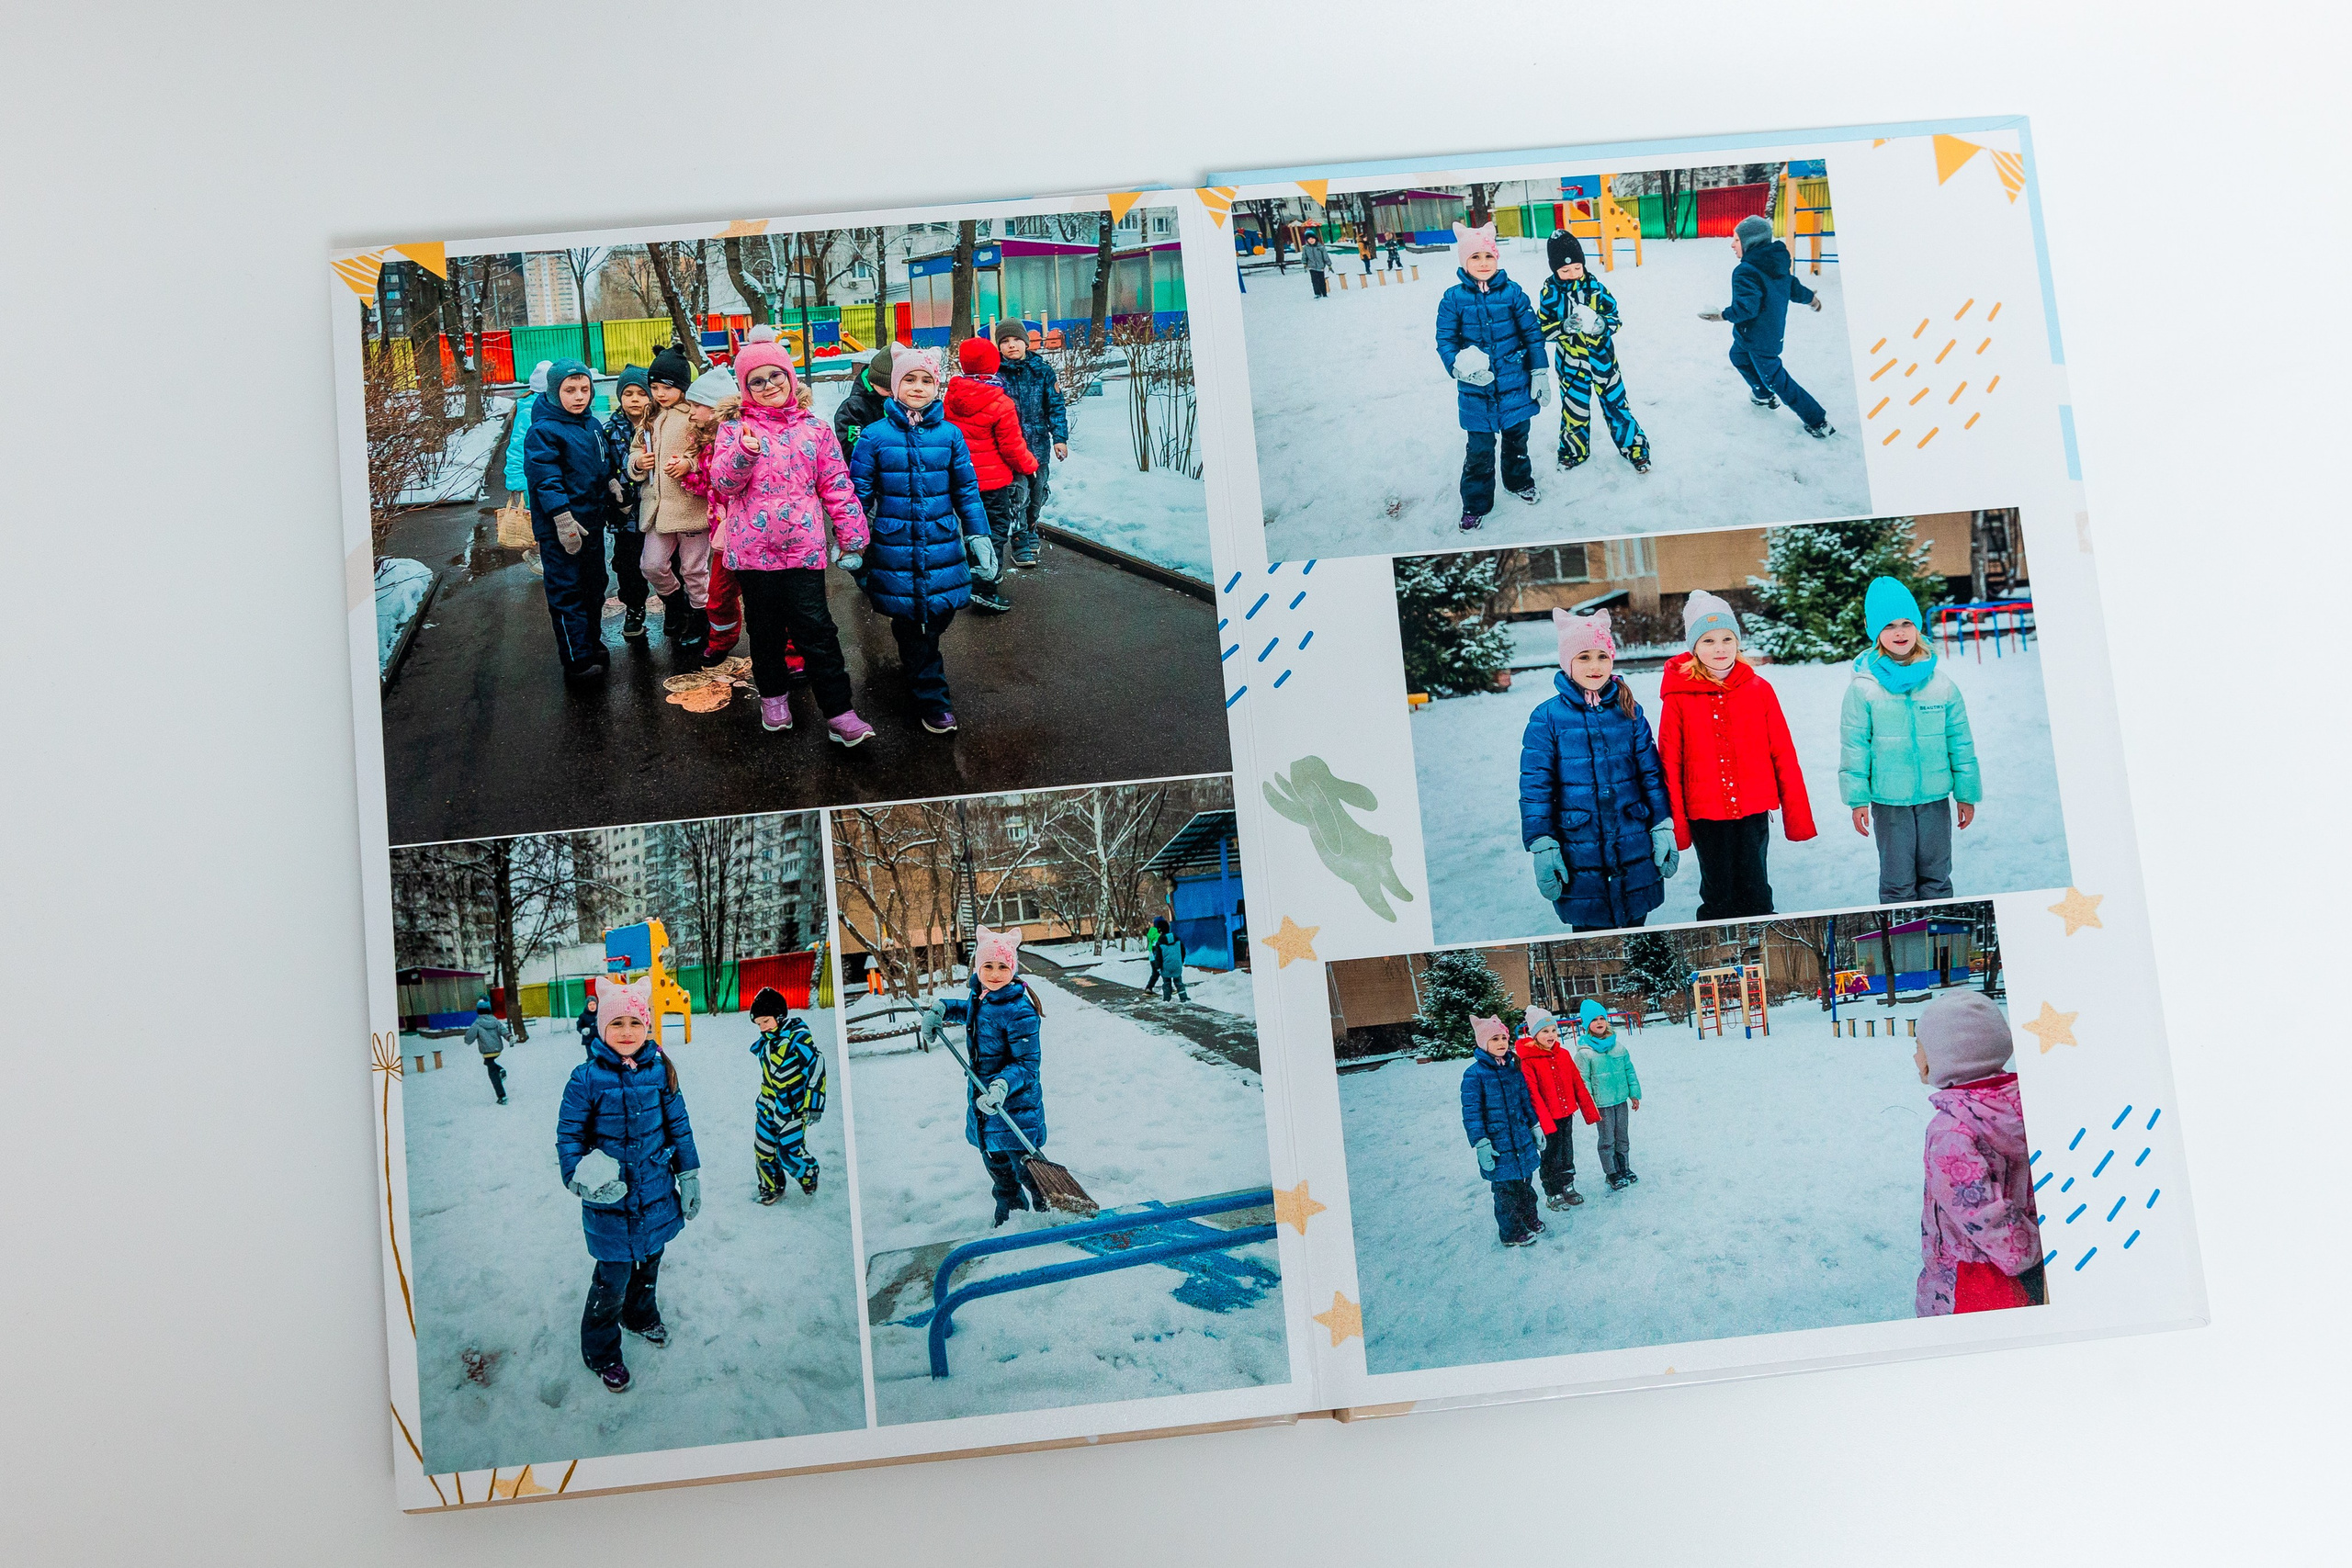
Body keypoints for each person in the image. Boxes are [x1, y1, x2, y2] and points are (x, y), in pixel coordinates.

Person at [703, 342, 875, 746]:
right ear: (745, 387)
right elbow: (722, 483)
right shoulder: (733, 429)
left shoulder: (814, 429)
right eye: (756, 381)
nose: (767, 386)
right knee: (765, 632)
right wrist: (744, 453)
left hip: (803, 551)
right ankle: (773, 697)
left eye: (775, 376)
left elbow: (836, 484)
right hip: (752, 554)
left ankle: (839, 711)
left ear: (790, 377)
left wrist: (852, 533)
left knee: (818, 632)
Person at [555, 979, 701, 1394]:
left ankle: (639, 1315)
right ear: (601, 1027)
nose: (626, 1031)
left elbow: (680, 1128)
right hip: (610, 1203)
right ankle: (600, 1351)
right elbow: (569, 1140)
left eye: (634, 1022)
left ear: (647, 1026)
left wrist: (688, 1174)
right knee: (613, 1276)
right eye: (616, 1022)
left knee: (650, 1261)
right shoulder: (585, 1079)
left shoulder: (661, 1070)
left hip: (655, 1192)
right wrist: (581, 1180)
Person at [851, 348, 996, 735]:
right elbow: (859, 494)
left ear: (937, 387)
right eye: (909, 380)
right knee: (915, 623)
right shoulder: (874, 436)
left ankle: (917, 657)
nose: (918, 387)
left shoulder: (950, 435)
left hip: (941, 545)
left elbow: (966, 490)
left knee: (937, 616)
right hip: (895, 547)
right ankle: (934, 701)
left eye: (926, 380)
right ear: (895, 386)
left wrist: (979, 533)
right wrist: (851, 539)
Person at [1657, 591, 1816, 918]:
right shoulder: (1679, 697)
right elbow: (1669, 762)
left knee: (1756, 889)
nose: (1719, 649)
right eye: (1709, 641)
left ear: (1738, 642)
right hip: (1705, 817)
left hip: (1753, 812)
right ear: (1694, 648)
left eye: (1727, 639)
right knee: (1719, 893)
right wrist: (1677, 825)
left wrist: (1797, 815)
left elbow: (1783, 752)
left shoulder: (1759, 690)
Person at [1520, 609, 1677, 932]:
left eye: (1603, 656)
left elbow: (1650, 775)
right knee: (1590, 933)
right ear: (1568, 662)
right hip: (1579, 847)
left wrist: (1662, 825)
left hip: (1631, 839)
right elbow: (1536, 788)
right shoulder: (1546, 717)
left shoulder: (1629, 711)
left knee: (1637, 926)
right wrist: (1543, 844)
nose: (1595, 666)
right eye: (1584, 657)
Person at [1839, 578, 1981, 904]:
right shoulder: (1863, 688)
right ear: (1875, 631)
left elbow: (1960, 741)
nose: (1899, 632)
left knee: (1937, 878)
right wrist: (1857, 799)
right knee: (1897, 882)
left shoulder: (1941, 685)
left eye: (1906, 623)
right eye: (1889, 625)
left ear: (1917, 627)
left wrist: (1966, 793)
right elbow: (1854, 746)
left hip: (1934, 800)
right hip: (1889, 803)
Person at [1913, 991, 2044, 1315]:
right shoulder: (2021, 1107)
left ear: (1943, 1057)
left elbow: (1981, 1211)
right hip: (2024, 1278)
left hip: (1970, 1282)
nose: (1915, 1057)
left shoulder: (1950, 1132)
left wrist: (2027, 1252)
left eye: (1919, 1048)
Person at [922, 927, 1048, 1228]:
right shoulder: (984, 999)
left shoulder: (1020, 1012)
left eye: (1003, 966)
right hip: (985, 1105)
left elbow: (1027, 1064)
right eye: (987, 966)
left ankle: (1053, 1213)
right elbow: (971, 1012)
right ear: (978, 968)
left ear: (1013, 969)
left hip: (1014, 1106)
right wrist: (941, 1008)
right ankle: (1010, 1218)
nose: (994, 973)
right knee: (998, 1169)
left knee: (1027, 1166)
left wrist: (1002, 1085)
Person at [1435, 221, 1546, 532]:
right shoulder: (1453, 299)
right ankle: (1475, 503)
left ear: (1497, 259)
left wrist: (1539, 370)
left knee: (1516, 440)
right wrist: (1457, 367)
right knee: (1479, 451)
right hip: (1476, 391)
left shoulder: (1513, 294)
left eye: (1488, 256)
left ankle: (1519, 481)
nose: (1483, 263)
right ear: (1463, 261)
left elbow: (1532, 334)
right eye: (1475, 257)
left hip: (1514, 383)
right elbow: (1446, 339)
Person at [519, 357, 615, 684]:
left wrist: (612, 481)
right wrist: (562, 519)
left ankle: (590, 642)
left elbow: (603, 464)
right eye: (569, 390)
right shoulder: (543, 432)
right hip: (561, 530)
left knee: (594, 587)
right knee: (567, 592)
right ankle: (576, 661)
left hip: (591, 525)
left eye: (584, 389)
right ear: (552, 392)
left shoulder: (592, 425)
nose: (578, 396)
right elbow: (545, 479)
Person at [1700, 213, 1835, 437]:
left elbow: (1747, 309)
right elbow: (1793, 288)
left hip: (1760, 339)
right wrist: (1811, 298)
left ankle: (1817, 420)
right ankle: (1762, 394)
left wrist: (1721, 315)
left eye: (1736, 240)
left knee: (1777, 380)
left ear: (1750, 242)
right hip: (1757, 335)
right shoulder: (1775, 264)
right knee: (1738, 357)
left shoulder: (1746, 271)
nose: (1732, 244)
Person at [1535, 231, 1652, 475]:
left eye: (1577, 268)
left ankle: (1635, 448)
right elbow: (1542, 329)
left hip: (1603, 362)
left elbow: (1615, 318)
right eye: (1565, 271)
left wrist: (1602, 324)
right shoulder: (1549, 293)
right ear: (1554, 269)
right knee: (1574, 409)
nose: (1572, 274)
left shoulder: (1596, 288)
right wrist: (1564, 327)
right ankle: (1573, 451)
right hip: (1571, 365)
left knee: (1617, 405)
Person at [944, 335, 1037, 614]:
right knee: (994, 531)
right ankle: (986, 586)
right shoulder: (1000, 401)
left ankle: (974, 575)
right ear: (994, 364)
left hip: (962, 480)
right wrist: (1030, 466)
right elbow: (1012, 447)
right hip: (993, 483)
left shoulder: (952, 396)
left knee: (972, 530)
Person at [632, 346, 714, 655]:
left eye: (667, 387)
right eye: (654, 387)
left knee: (694, 570)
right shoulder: (649, 417)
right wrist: (638, 463)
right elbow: (633, 451)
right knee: (652, 565)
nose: (660, 393)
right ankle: (675, 604)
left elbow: (706, 452)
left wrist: (688, 465)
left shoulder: (694, 415)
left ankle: (700, 618)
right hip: (656, 509)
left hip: (690, 507)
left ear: (682, 386)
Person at [1460, 1014, 1544, 1247]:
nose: (1500, 1043)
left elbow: (1525, 1101)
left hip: (1521, 1139)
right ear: (1482, 1043)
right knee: (1505, 1192)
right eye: (1494, 1038)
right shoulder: (1474, 1075)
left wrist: (1534, 1125)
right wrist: (1481, 1143)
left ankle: (1530, 1219)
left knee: (1526, 1185)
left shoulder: (1513, 1069)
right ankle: (1511, 1232)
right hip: (1498, 1145)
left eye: (1503, 1038)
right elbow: (1472, 1113)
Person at [993, 319, 1068, 570]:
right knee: (1017, 495)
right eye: (1005, 341)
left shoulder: (1042, 371)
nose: (1011, 345)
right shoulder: (995, 375)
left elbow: (1055, 406)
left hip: (1038, 446)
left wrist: (1060, 438)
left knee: (1037, 494)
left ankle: (1031, 526)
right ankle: (1019, 540)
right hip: (1010, 449)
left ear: (1026, 342)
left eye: (1015, 340)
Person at [1514, 1005, 1599, 1210]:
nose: (1551, 1035)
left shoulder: (1563, 1055)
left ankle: (1568, 1184)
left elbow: (1576, 1082)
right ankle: (1553, 1191)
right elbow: (1532, 1094)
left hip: (1566, 1113)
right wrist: (1543, 1122)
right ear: (1534, 1034)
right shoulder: (1528, 1060)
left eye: (1553, 1030)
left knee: (1566, 1151)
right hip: (1546, 1118)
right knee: (1550, 1155)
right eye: (1544, 1031)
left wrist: (1589, 1110)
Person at [747, 986, 827, 1202]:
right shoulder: (766, 1043)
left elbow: (816, 1068)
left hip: (792, 1107)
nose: (762, 1028)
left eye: (766, 1021)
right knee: (763, 1147)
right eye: (759, 1024)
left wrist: (814, 1104)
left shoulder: (798, 1038)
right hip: (767, 1104)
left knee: (788, 1150)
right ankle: (771, 1185)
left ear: (779, 1017)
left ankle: (808, 1173)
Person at [601, 366, 656, 644]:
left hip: (659, 512)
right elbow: (604, 468)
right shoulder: (609, 430)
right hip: (626, 515)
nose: (634, 399)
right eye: (627, 393)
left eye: (641, 393)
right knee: (628, 566)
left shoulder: (660, 425)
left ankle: (679, 607)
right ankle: (635, 608)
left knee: (668, 561)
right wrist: (617, 490)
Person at [1571, 999, 1641, 1190]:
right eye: (1594, 1020)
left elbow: (1629, 1071)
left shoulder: (1618, 1047)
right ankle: (1611, 1172)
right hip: (1602, 1104)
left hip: (1620, 1101)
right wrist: (1590, 1104)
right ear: (1587, 1025)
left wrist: (1634, 1094)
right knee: (1607, 1139)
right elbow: (1583, 1082)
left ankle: (1624, 1167)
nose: (1599, 1022)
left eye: (1602, 1018)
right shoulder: (1585, 1054)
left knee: (1622, 1136)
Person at [502, 359, 554, 504]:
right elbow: (517, 447)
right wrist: (518, 485)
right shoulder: (529, 411)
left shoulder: (549, 407)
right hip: (532, 484)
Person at [831, 344, 894, 462]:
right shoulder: (852, 408)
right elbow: (853, 449)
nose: (892, 393)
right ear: (872, 382)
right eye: (887, 389)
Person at [464, 998, 513, 1104]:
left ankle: (502, 1096)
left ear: (478, 1011)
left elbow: (469, 1037)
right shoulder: (495, 1021)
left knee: (492, 1074)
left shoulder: (477, 1024)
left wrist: (467, 1039)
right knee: (488, 1062)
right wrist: (509, 1037)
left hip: (487, 1051)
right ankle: (500, 1070)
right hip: (497, 1049)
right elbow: (503, 1030)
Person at [1145, 914, 1190, 1001]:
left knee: (1167, 983)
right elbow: (1183, 950)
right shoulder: (1177, 939)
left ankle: (1167, 999)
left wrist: (1158, 966)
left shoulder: (1160, 942)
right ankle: (1184, 998)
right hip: (1177, 965)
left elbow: (1158, 957)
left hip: (1165, 966)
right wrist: (1181, 961)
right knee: (1179, 982)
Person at [1302, 231, 1329, 298]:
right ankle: (1317, 293)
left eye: (1312, 238)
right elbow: (1304, 256)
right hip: (1312, 266)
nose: (1311, 240)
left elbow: (1325, 256)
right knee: (1314, 281)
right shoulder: (1306, 248)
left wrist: (1329, 264)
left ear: (1315, 239)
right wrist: (1304, 263)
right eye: (1309, 239)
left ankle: (1324, 293)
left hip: (1320, 266)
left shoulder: (1320, 247)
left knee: (1321, 281)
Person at [575, 990, 600, 1057]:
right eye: (590, 1005)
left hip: (600, 1039)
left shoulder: (600, 1014)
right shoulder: (583, 1016)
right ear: (587, 1006)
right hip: (589, 1041)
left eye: (594, 1004)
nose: (592, 1006)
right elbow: (579, 1027)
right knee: (592, 1057)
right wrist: (582, 1030)